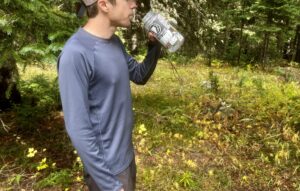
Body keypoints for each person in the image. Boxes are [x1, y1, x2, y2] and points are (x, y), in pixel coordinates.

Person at [57, 0, 161, 190]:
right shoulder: (75, 54)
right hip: (107, 172)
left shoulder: (114, 43)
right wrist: (110, 185)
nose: (134, 4)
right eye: (128, 0)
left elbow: (139, 75)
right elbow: (78, 129)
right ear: (104, 5)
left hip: (126, 159)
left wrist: (154, 46)